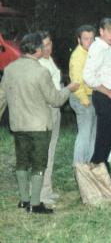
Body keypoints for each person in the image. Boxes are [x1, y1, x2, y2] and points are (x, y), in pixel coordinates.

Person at [0, 33, 78, 214]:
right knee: (39, 164)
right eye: (42, 47)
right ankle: (35, 204)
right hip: (39, 125)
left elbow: (1, 97)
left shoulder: (10, 69)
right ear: (36, 50)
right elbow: (55, 100)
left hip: (18, 125)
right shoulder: (41, 72)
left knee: (21, 162)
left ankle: (23, 200)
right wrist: (68, 89)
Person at [83, 18, 111, 168]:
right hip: (104, 97)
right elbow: (88, 77)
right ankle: (96, 166)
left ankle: (102, 169)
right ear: (101, 31)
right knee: (104, 136)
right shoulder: (98, 47)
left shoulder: (107, 47)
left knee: (110, 133)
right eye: (109, 31)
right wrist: (109, 93)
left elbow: (105, 72)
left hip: (110, 95)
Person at [37, 31, 63, 205]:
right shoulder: (38, 63)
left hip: (56, 109)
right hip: (45, 110)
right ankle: (40, 195)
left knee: (51, 151)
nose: (48, 48)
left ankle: (47, 189)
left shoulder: (50, 60)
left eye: (49, 43)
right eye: (44, 45)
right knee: (42, 153)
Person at [69, 25, 97, 166]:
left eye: (92, 38)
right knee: (85, 134)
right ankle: (79, 167)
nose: (90, 42)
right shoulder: (77, 56)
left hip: (92, 97)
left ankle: (89, 167)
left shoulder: (91, 53)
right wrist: (85, 101)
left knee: (93, 135)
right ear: (79, 40)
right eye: (86, 39)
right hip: (82, 98)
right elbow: (76, 82)